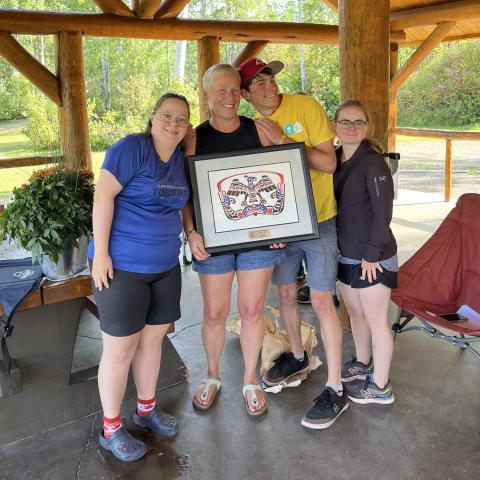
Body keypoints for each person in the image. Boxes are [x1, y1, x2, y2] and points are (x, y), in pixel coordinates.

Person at [239, 57, 348, 429]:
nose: (268, 85)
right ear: (245, 94)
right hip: (280, 226)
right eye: (257, 83)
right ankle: (298, 355)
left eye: (269, 78)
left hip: (318, 219)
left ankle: (335, 387)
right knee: (284, 294)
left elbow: (329, 164)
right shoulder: (247, 127)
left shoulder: (306, 106)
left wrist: (283, 140)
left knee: (321, 300)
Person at [89, 93, 192, 462]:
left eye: (181, 119)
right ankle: (111, 428)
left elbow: (182, 207)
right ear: (152, 118)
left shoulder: (181, 160)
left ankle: (145, 409)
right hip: (122, 267)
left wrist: (192, 235)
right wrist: (100, 254)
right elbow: (103, 197)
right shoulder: (131, 148)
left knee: (153, 343)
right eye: (167, 116)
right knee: (119, 350)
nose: (173, 124)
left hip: (165, 266)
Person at [183, 64, 285, 417]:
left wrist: (280, 227)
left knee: (252, 311)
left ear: (241, 94)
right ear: (207, 93)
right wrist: (191, 232)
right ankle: (211, 376)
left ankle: (250, 379)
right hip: (212, 241)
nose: (228, 97)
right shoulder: (194, 137)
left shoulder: (261, 129)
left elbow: (283, 178)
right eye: (220, 90)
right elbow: (185, 192)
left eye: (233, 90)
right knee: (214, 313)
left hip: (257, 239)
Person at [333, 100, 397, 404]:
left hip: (373, 256)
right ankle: (362, 360)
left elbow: (383, 213)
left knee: (375, 319)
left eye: (358, 122)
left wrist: (372, 254)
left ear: (367, 127)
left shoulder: (373, 163)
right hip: (346, 252)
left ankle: (381, 385)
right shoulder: (334, 160)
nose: (351, 128)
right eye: (345, 122)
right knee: (355, 313)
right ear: (335, 125)